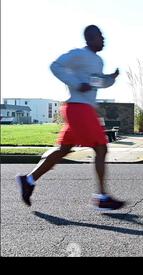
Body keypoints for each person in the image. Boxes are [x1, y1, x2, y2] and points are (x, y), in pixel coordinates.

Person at [15, 25, 125, 211]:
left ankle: (29, 179)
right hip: (78, 108)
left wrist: (110, 78)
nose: (103, 39)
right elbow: (55, 66)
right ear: (90, 38)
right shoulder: (78, 54)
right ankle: (101, 197)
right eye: (100, 36)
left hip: (81, 108)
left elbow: (95, 83)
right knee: (100, 147)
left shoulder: (97, 60)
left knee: (63, 150)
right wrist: (75, 83)